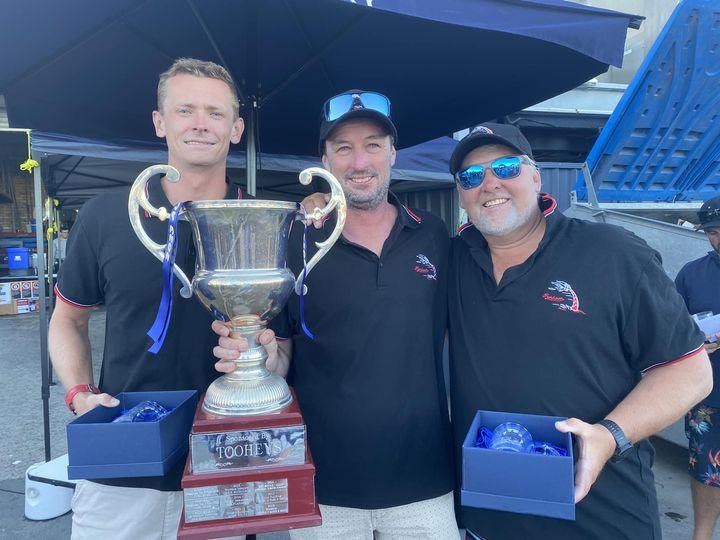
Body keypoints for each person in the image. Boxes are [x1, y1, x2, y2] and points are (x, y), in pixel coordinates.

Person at [447, 123, 712, 540]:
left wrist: (609, 436)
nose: (489, 184)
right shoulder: (454, 261)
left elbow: (690, 372)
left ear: (536, 176)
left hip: (601, 517)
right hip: (489, 518)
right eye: (472, 176)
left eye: (506, 167)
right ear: (461, 193)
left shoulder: (613, 254)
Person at [213, 90, 458, 538]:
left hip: (426, 481)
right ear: (324, 160)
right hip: (323, 487)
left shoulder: (435, 235)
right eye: (343, 147)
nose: (359, 161)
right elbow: (283, 356)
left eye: (373, 145)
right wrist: (254, 359)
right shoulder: (294, 242)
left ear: (393, 155)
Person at [49, 58, 247, 540]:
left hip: (224, 458)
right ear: (160, 122)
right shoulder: (105, 217)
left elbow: (280, 340)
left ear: (236, 129)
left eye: (216, 113)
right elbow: (67, 321)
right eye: (185, 109)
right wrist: (78, 395)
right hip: (120, 462)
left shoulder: (261, 221)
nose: (200, 123)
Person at [675, 195, 720, 540]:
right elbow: (672, 330)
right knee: (705, 470)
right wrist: (693, 344)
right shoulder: (692, 275)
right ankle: (701, 535)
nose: (719, 238)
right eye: (713, 231)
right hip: (708, 394)